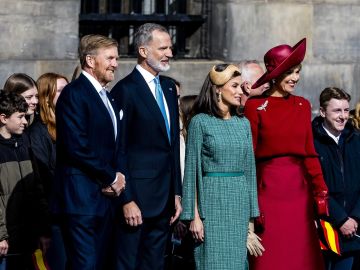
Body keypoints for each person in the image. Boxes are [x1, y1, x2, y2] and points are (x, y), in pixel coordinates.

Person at [244, 38, 329, 270]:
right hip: (267, 192)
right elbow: (248, 159)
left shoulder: (302, 106)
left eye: (298, 71)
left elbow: (310, 154)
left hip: (299, 194)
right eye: (290, 72)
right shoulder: (254, 107)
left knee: (301, 257)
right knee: (271, 257)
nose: (295, 77)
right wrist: (251, 205)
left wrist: (320, 192)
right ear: (276, 74)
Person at [111, 23, 182, 270]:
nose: (169, 54)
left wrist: (177, 192)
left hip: (165, 201)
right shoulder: (125, 90)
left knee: (155, 264)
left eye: (170, 48)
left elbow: (172, 146)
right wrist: (126, 199)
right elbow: (119, 149)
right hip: (136, 201)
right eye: (162, 48)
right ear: (143, 51)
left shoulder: (170, 88)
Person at [55, 34, 125, 269]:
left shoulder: (107, 96)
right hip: (82, 200)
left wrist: (117, 179)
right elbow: (77, 145)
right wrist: (111, 176)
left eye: (116, 58)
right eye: (110, 58)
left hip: (105, 202)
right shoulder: (75, 93)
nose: (115, 63)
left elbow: (113, 145)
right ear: (90, 60)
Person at [181, 64, 260, 270]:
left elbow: (250, 172)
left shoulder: (243, 123)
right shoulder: (200, 122)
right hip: (212, 205)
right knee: (212, 262)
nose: (239, 91)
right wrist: (194, 217)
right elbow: (192, 171)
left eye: (240, 86)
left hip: (239, 205)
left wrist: (250, 223)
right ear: (217, 88)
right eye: (233, 86)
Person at [0, 91, 50, 270]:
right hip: (6, 242)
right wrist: (1, 235)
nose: (25, 121)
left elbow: (38, 189)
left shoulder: (25, 144)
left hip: (29, 237)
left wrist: (43, 230)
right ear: (3, 118)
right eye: (20, 117)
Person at [312, 87, 360, 270]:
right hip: (323, 229)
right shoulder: (311, 141)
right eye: (337, 110)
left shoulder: (356, 140)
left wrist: (355, 217)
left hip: (352, 231)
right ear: (323, 112)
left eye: (346, 110)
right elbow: (315, 185)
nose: (343, 116)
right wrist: (340, 219)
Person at [27, 72, 69, 270]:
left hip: (70, 214)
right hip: (53, 219)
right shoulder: (38, 133)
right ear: (46, 97)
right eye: (61, 91)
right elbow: (42, 181)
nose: (68, 94)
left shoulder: (68, 126)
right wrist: (43, 228)